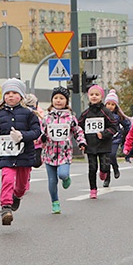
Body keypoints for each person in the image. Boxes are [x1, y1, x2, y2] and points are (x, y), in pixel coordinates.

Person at [0, 79, 41, 226]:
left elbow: (37, 131)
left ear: (21, 96)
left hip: (24, 155)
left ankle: (17, 197)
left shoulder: (29, 114)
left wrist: (22, 136)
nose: (11, 96)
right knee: (7, 179)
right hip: (7, 155)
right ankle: (6, 208)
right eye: (7, 93)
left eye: (14, 93)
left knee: (21, 186)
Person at [39, 86, 86, 214]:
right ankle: (55, 202)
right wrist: (41, 138)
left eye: (61, 98)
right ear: (52, 100)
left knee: (63, 174)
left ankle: (66, 178)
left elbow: (78, 131)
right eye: (55, 98)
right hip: (49, 154)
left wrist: (81, 142)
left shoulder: (71, 118)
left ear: (66, 101)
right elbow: (41, 132)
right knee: (52, 181)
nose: (58, 100)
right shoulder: (47, 118)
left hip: (64, 154)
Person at [78, 84, 118, 199]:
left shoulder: (105, 112)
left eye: (97, 94)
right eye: (91, 94)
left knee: (105, 166)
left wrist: (104, 133)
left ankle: (104, 172)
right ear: (88, 97)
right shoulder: (85, 114)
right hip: (90, 145)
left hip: (104, 144)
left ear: (101, 97)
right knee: (92, 168)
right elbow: (78, 127)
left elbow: (114, 126)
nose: (94, 97)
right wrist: (82, 141)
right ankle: (93, 189)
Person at [103, 89, 131, 187]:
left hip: (115, 139)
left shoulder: (118, 116)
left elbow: (127, 124)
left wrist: (128, 134)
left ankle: (115, 167)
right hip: (104, 139)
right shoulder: (102, 114)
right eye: (108, 104)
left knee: (112, 155)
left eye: (112, 104)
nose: (110, 106)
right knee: (105, 160)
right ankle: (107, 178)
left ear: (116, 106)